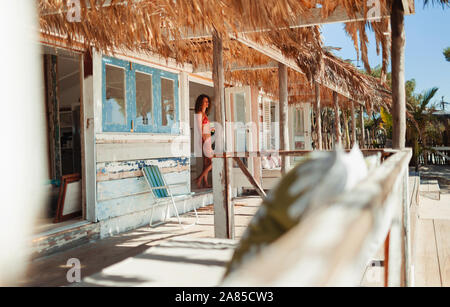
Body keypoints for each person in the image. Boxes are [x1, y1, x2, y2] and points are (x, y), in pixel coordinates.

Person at [194, 94, 213, 189]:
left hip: (208, 140)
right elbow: (199, 128)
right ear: (201, 103)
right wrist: (204, 140)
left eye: (207, 101)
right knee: (213, 161)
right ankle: (199, 178)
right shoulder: (199, 113)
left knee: (207, 163)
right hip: (205, 141)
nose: (207, 103)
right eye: (205, 101)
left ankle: (205, 182)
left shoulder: (204, 114)